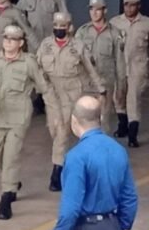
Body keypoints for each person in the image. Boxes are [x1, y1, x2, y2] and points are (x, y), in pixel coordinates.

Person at [50, 95, 138, 230]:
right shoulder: (117, 150)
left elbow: (70, 208)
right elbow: (130, 198)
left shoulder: (77, 156)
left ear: (74, 121)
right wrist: (117, 226)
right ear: (99, 118)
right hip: (111, 229)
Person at [0, 25, 61, 220]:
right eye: (6, 38)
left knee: (11, 157)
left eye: (13, 39)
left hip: (18, 117)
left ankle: (6, 198)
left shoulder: (28, 63)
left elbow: (44, 88)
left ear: (21, 43)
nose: (8, 42)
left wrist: (53, 113)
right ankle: (11, 181)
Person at [37, 12, 105, 192]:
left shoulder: (78, 46)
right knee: (54, 129)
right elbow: (37, 69)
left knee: (61, 131)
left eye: (62, 26)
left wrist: (100, 88)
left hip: (71, 93)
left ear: (69, 27)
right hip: (51, 94)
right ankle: (65, 159)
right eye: (56, 25)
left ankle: (56, 172)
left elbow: (90, 69)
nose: (59, 29)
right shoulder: (45, 45)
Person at [74, 0, 126, 136]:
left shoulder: (114, 33)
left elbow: (120, 62)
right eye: (91, 9)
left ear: (105, 10)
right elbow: (75, 59)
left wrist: (121, 87)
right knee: (84, 120)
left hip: (105, 83)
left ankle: (103, 153)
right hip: (86, 84)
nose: (94, 13)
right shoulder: (82, 32)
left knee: (103, 120)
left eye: (98, 9)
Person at [109, 0, 149, 147]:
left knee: (133, 99)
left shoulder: (146, 24)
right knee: (118, 97)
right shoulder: (115, 23)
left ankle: (132, 134)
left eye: (132, 4)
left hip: (138, 68)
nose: (129, 7)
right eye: (126, 4)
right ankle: (123, 126)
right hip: (119, 67)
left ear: (139, 6)